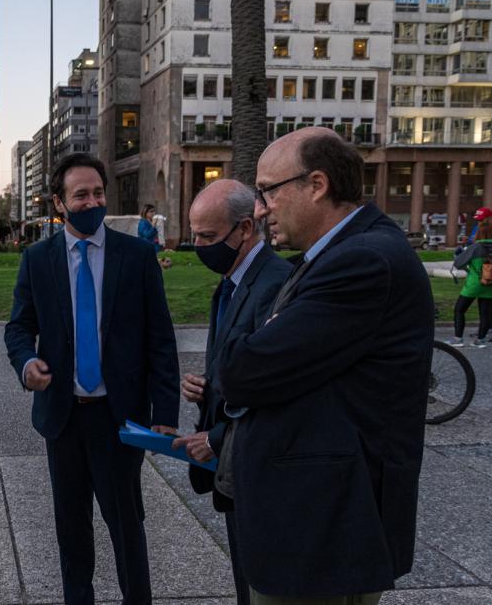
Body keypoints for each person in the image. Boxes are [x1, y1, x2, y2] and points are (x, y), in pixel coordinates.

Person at [214, 127, 433, 604]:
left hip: (324, 532)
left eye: (268, 190)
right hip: (316, 523)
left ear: (317, 184)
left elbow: (243, 371)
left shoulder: (362, 262)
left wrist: (252, 342)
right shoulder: (337, 254)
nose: (259, 207)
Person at [4, 153, 180, 605]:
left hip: (118, 419)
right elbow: (19, 328)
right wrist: (27, 364)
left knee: (126, 525)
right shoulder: (38, 259)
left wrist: (165, 414)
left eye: (98, 193)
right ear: (59, 203)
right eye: (80, 195)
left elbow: (160, 340)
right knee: (71, 527)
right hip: (62, 419)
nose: (92, 201)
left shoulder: (137, 257)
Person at [153, 179, 291, 605]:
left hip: (255, 466)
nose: (197, 246)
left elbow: (277, 387)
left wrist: (215, 440)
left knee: (261, 587)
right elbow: (242, 368)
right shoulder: (231, 280)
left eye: (208, 237)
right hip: (233, 467)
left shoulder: (276, 285)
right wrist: (208, 387)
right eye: (194, 235)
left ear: (245, 228)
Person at [449, 217, 492, 348]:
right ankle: (481, 340)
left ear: (479, 233)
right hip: (490, 286)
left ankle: (458, 339)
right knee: (485, 313)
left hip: (474, 284)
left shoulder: (475, 247)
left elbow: (458, 263)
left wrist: (465, 264)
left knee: (459, 310)